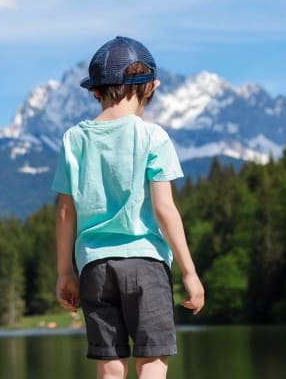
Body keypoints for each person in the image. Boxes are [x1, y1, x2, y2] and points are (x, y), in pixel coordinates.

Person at [52, 36, 205, 379]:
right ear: (150, 87)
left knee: (110, 369)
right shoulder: (153, 137)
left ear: (96, 90)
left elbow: (65, 212)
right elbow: (165, 209)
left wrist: (65, 272)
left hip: (94, 267)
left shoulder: (73, 139)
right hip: (147, 264)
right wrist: (190, 272)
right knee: (152, 363)